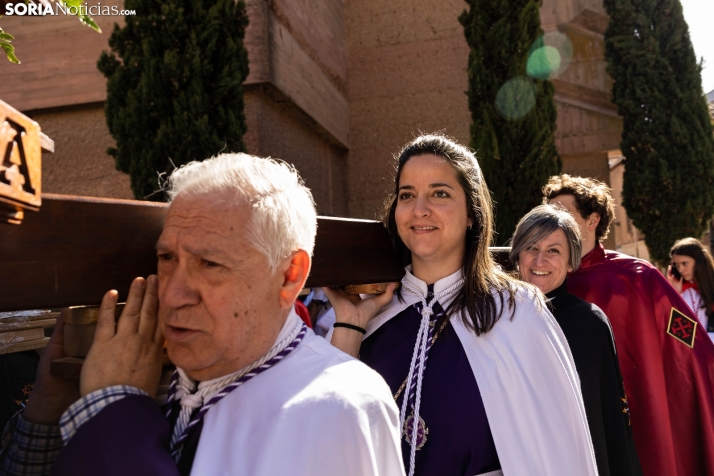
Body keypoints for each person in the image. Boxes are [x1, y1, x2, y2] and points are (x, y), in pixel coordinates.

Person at [0, 153, 405, 476]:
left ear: (289, 275)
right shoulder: (168, 382)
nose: (173, 293)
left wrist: (113, 410)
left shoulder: (335, 410)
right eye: (166, 257)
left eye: (210, 264)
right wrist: (47, 414)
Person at [326, 135, 598, 476]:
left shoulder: (517, 311)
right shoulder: (369, 312)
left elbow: (560, 451)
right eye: (407, 195)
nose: (419, 209)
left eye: (440, 193)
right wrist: (350, 324)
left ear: (472, 213)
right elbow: (331, 436)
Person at [544, 174, 714, 476]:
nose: (552, 222)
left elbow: (686, 337)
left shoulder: (637, 277)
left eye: (562, 213)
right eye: (548, 213)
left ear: (592, 220)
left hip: (636, 409)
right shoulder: (540, 281)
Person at [510, 204, 642, 476]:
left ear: (571, 261)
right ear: (517, 255)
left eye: (553, 251)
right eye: (531, 248)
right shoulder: (497, 320)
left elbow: (608, 419)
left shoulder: (590, 324)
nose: (539, 261)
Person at [668, 237, 714, 341]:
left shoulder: (711, 288)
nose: (680, 269)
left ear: (699, 262)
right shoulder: (680, 292)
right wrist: (675, 293)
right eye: (676, 265)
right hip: (690, 354)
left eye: (684, 263)